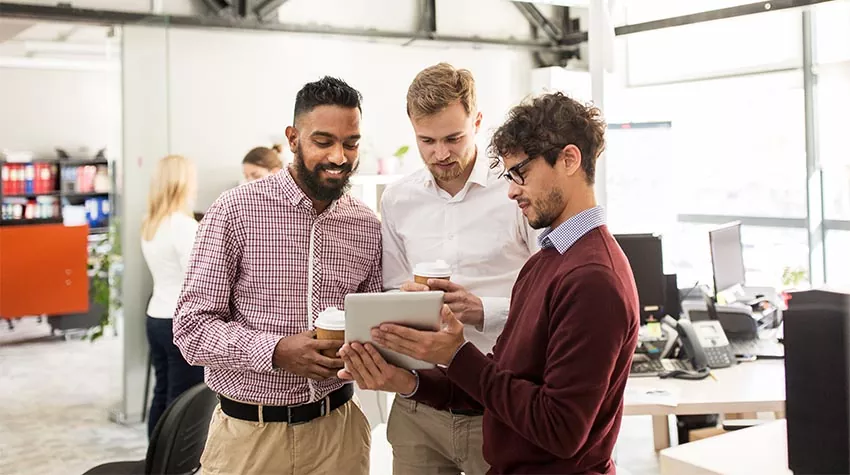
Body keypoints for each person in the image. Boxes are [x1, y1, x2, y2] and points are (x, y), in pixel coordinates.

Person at [339, 92, 640, 474]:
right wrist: (408, 380)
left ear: (569, 159)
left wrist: (456, 353)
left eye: (521, 174)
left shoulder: (594, 280)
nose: (512, 190)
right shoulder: (547, 263)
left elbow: (561, 429)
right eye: (509, 176)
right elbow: (496, 384)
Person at [173, 76, 380, 475]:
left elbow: (369, 323)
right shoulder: (235, 210)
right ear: (293, 137)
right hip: (251, 438)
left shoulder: (366, 224)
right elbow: (190, 330)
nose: (339, 156)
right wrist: (276, 352)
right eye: (323, 141)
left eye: (351, 143)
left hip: (340, 436)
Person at [380, 62, 538, 474]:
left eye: (454, 137)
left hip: (499, 403)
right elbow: (393, 287)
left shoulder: (516, 191)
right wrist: (404, 304)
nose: (441, 153)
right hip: (419, 408)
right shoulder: (398, 201)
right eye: (426, 140)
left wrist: (483, 310)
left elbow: (549, 297)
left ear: (478, 121)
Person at [140, 154, 204, 438]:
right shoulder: (183, 226)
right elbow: (198, 278)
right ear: (183, 182)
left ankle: (155, 458)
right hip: (179, 321)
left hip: (156, 316)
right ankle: (173, 463)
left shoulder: (151, 223)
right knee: (184, 401)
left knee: (162, 390)